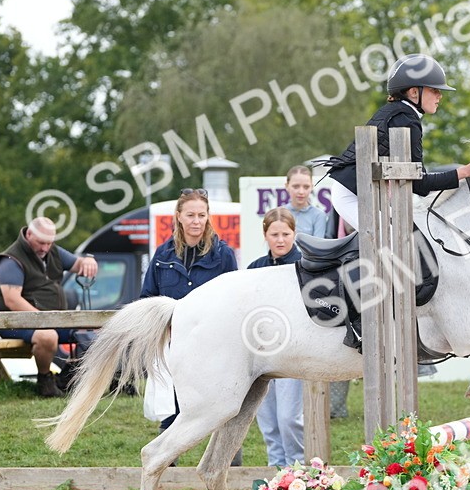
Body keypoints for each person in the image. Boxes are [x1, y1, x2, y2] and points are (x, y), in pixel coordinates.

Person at [323, 53, 470, 230]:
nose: (440, 95)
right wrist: (464, 171)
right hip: (353, 195)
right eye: (434, 90)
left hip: (361, 191)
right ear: (414, 92)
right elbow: (420, 184)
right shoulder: (406, 120)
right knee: (394, 240)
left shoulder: (398, 113)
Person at [140, 188, 239, 437]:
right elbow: (148, 298)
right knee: (174, 406)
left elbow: (235, 300)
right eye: (191, 215)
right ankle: (166, 461)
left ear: (208, 217)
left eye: (201, 215)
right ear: (179, 217)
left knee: (220, 403)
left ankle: (228, 458)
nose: (196, 221)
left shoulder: (223, 255)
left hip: (213, 344)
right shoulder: (163, 255)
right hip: (174, 344)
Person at [0, 216, 97, 398]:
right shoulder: (11, 259)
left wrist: (88, 261)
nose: (45, 248)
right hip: (13, 323)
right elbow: (12, 301)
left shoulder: (53, 252)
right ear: (29, 234)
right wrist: (44, 321)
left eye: (49, 243)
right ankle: (45, 380)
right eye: (41, 243)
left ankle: (68, 376)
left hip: (52, 320)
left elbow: (78, 264)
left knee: (95, 330)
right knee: (48, 336)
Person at [247, 207, 306, 466]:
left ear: (294, 234)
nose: (280, 240)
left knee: (289, 417)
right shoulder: (254, 269)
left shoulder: (305, 265)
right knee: (267, 418)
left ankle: (298, 466)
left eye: (286, 233)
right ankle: (276, 470)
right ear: (265, 235)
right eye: (274, 234)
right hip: (260, 354)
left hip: (294, 352)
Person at [284, 165, 329, 238]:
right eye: (296, 186)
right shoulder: (279, 214)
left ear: (312, 187)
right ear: (287, 186)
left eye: (306, 187)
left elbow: (317, 245)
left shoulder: (319, 215)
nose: (301, 192)